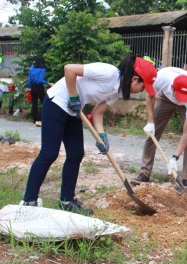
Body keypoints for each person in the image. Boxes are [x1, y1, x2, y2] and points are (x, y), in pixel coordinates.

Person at [20, 56, 157, 215]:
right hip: (57, 103)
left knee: (76, 153)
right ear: (134, 79)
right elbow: (69, 69)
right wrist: (73, 96)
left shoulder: (117, 91)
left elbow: (97, 113)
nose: (142, 90)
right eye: (143, 86)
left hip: (74, 110)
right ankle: (29, 200)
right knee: (50, 153)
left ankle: (67, 201)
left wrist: (101, 136)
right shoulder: (109, 72)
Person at [133, 67, 187, 187]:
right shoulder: (161, 78)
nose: (180, 99)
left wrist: (175, 157)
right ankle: (144, 173)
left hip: (186, 106)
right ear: (172, 87)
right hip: (165, 98)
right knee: (153, 132)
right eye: (179, 95)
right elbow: (150, 97)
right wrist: (150, 122)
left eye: (184, 96)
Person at [27, 55, 53, 126]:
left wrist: (29, 87)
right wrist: (48, 83)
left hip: (33, 87)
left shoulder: (32, 68)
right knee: (45, 102)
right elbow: (40, 80)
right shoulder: (42, 69)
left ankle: (35, 120)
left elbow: (29, 79)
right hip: (39, 87)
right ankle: (44, 118)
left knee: (34, 104)